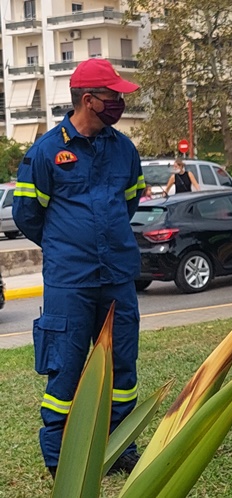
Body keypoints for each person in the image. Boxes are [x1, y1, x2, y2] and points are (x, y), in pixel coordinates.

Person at [12, 58, 144, 477]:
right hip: (70, 284)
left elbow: (130, 201)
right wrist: (68, 246)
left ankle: (119, 448)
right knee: (65, 371)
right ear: (89, 100)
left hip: (118, 277)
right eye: (113, 96)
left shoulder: (124, 148)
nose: (120, 103)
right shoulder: (46, 152)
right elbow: (28, 215)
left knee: (122, 369)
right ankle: (60, 459)